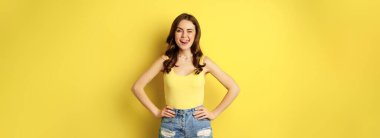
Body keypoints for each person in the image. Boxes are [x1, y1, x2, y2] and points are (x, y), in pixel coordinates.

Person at [131, 13, 240, 138]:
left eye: (189, 31)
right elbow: (137, 87)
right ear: (174, 33)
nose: (184, 36)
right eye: (179, 31)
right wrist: (156, 112)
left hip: (198, 124)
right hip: (170, 124)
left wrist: (214, 113)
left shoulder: (204, 62)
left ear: (195, 34)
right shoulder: (165, 61)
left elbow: (234, 88)